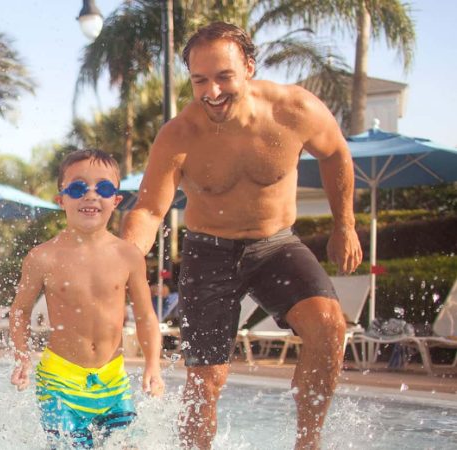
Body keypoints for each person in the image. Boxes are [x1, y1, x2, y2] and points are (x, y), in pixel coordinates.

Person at [120, 22, 363, 450]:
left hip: (277, 245)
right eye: (200, 81)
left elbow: (336, 153)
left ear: (248, 67)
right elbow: (150, 209)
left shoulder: (294, 110)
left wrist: (344, 223)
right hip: (208, 252)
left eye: (223, 77)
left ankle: (308, 443)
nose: (211, 91)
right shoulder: (180, 135)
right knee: (206, 381)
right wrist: (125, 259)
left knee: (329, 330)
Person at [10, 149, 164, 448]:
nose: (91, 196)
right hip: (59, 383)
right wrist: (21, 357)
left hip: (113, 380)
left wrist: (153, 366)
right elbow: (19, 312)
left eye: (103, 188)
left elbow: (146, 316)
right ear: (62, 199)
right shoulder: (43, 257)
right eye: (79, 188)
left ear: (115, 200)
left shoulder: (128, 256)